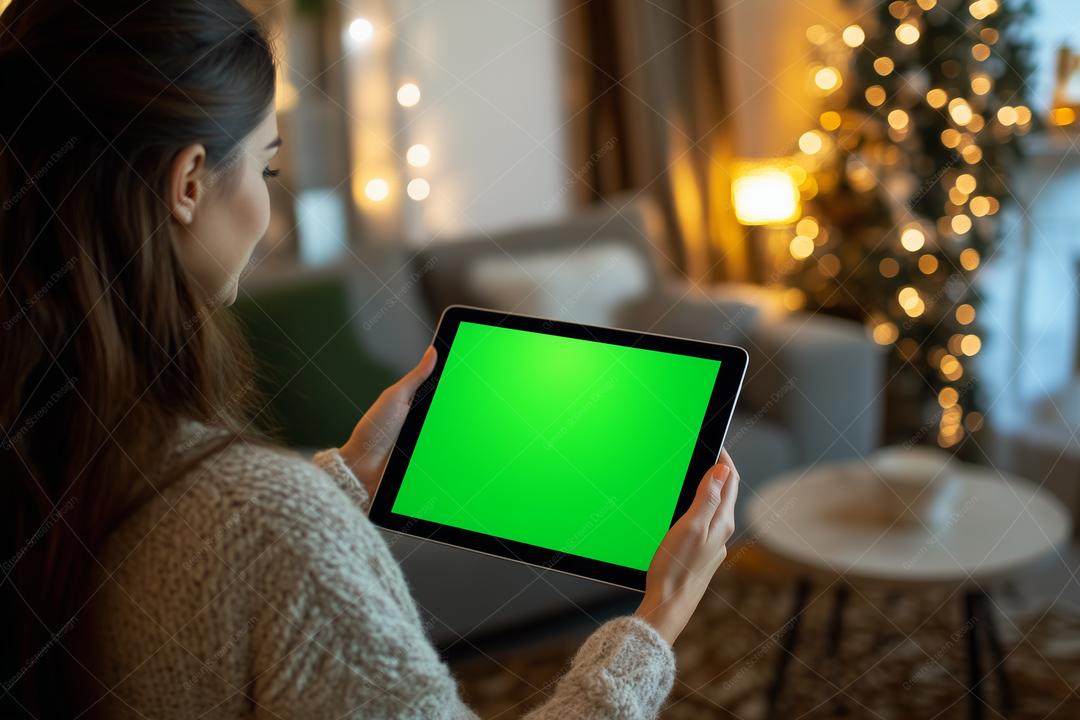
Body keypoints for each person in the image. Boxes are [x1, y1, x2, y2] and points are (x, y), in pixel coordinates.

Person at [0, 1, 741, 717]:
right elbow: (248, 535)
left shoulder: (48, 442)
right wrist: (656, 622)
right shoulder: (262, 519)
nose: (265, 202)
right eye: (266, 168)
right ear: (188, 182)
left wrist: (343, 479)